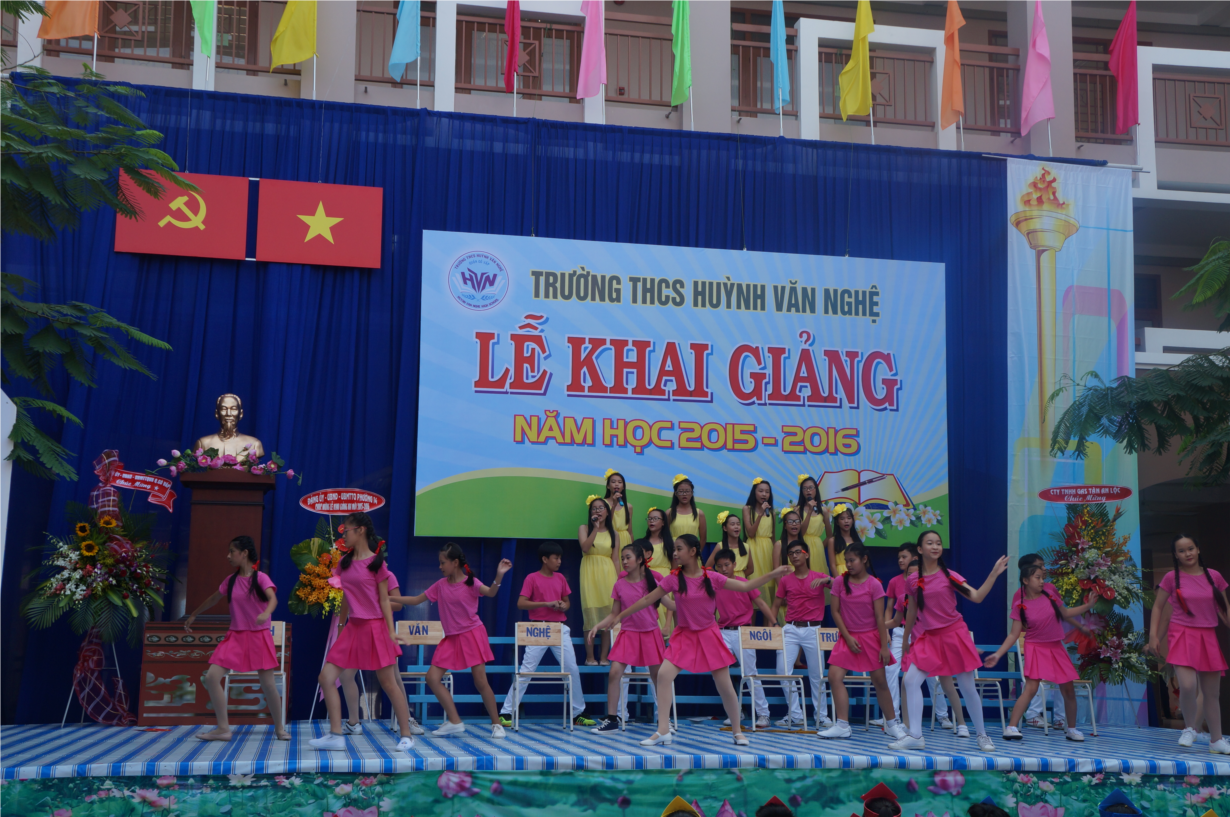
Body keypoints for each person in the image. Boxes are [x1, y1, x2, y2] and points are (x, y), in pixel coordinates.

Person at [594, 534, 789, 747]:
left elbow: (745, 586)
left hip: (709, 635)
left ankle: (737, 731)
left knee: (725, 686)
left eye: (679, 549)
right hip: (684, 636)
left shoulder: (711, 578)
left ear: (693, 551)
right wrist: (620, 616)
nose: (675, 553)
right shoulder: (673, 579)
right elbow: (648, 599)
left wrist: (774, 573)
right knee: (663, 675)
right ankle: (663, 730)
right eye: (674, 549)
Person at [890, 530, 1007, 753]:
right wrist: (906, 639)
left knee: (967, 687)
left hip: (954, 635)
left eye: (938, 543)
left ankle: (982, 735)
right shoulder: (913, 580)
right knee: (910, 681)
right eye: (930, 543)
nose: (935, 546)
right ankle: (915, 735)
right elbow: (911, 610)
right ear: (920, 549)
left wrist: (993, 574)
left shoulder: (949, 575)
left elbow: (977, 597)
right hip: (929, 637)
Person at [308, 513, 416, 753]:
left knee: (388, 683)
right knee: (326, 678)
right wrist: (341, 626)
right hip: (353, 628)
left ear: (361, 530)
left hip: (375, 628)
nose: (343, 535)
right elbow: (347, 594)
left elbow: (385, 601)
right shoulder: (344, 563)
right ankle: (336, 734)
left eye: (346, 530)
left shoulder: (377, 564)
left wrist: (391, 631)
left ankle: (406, 735)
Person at [393, 543, 512, 739]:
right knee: (432, 678)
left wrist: (499, 574)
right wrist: (387, 598)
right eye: (440, 563)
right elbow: (415, 600)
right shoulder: (440, 585)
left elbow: (491, 592)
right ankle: (455, 721)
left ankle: (497, 724)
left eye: (443, 562)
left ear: (455, 563)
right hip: (451, 638)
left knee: (480, 681)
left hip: (472, 634)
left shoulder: (471, 583)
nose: (440, 566)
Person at [184, 535, 289, 742]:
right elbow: (214, 598)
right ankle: (223, 728)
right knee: (211, 677)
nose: (228, 556)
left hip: (259, 637)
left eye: (232, 551)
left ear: (244, 553)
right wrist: (194, 614)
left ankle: (279, 728)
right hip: (235, 636)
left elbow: (273, 599)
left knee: (268, 684)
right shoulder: (230, 581)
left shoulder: (261, 578)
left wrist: (266, 613)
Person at [983, 563, 1094, 741]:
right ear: (1026, 580)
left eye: (1043, 577)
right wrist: (998, 654)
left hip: (1056, 647)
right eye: (1037, 577)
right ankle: (1011, 727)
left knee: (1068, 689)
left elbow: (1066, 613)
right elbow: (1013, 635)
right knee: (1031, 688)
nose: (1042, 581)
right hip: (1035, 647)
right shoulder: (1020, 605)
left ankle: (1072, 729)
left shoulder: (1050, 596)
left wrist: (1088, 606)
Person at [1147, 534, 1230, 753]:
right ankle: (1190, 728)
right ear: (1175, 555)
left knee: (1211, 693)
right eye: (1182, 551)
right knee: (1187, 685)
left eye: (1191, 548)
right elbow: (1158, 607)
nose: (1187, 554)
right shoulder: (1171, 578)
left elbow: (1224, 609)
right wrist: (1153, 636)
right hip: (1182, 633)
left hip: (1208, 635)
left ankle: (1216, 740)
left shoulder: (1214, 576)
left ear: (1198, 549)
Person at [499, 541, 589, 728]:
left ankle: (578, 713)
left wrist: (563, 605)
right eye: (556, 558)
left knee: (572, 669)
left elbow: (567, 602)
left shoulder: (561, 578)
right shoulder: (532, 578)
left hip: (559, 628)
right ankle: (506, 712)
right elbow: (521, 603)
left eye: (560, 558)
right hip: (538, 628)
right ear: (545, 559)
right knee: (526, 670)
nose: (559, 561)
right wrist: (546, 604)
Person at [822, 542, 903, 740]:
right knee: (834, 676)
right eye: (846, 561)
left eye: (852, 560)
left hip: (871, 638)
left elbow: (879, 618)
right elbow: (835, 612)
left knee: (880, 682)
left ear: (864, 559)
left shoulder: (874, 584)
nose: (848, 564)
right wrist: (847, 637)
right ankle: (842, 725)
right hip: (847, 637)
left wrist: (884, 646)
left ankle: (892, 725)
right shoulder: (840, 582)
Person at [591, 541, 673, 734]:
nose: (625, 561)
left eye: (628, 557)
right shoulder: (619, 585)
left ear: (640, 559)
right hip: (627, 634)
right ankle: (612, 720)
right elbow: (614, 614)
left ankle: (665, 721)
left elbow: (671, 604)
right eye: (622, 558)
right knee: (614, 673)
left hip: (651, 634)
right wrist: (598, 625)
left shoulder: (653, 582)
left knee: (658, 677)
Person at [338, 574, 425, 736]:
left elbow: (398, 604)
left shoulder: (386, 575)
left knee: (393, 679)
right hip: (359, 631)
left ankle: (407, 720)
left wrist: (373, 602)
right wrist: (341, 625)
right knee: (345, 675)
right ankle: (353, 723)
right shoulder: (354, 574)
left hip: (380, 632)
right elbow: (347, 598)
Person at [883, 542, 957, 733]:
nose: (901, 560)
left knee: (932, 674)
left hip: (924, 633)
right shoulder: (896, 583)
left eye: (904, 557)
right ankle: (893, 717)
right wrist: (883, 630)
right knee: (891, 670)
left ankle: (942, 715)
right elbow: (891, 611)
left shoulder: (932, 583)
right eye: (899, 557)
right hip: (901, 632)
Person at [770, 539, 834, 729]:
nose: (794, 556)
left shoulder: (819, 576)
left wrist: (828, 580)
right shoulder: (785, 580)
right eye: (791, 553)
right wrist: (774, 625)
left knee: (817, 674)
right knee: (782, 671)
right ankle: (795, 714)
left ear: (807, 554)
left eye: (798, 552)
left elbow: (842, 585)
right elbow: (775, 604)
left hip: (813, 629)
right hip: (790, 628)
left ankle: (821, 715)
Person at [713, 547, 774, 728]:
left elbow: (761, 603)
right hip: (723, 631)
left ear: (734, 564)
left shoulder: (744, 583)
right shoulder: (715, 586)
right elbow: (710, 610)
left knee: (750, 673)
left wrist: (774, 622)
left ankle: (763, 714)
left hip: (743, 631)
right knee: (719, 672)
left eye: (726, 565)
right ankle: (735, 712)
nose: (723, 569)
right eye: (719, 566)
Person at [1012, 552, 1063, 730]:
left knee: (1063, 678)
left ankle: (1061, 718)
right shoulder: (1020, 594)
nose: (1044, 569)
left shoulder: (1050, 589)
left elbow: (1060, 612)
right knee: (1038, 679)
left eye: (1043, 565)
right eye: (1040, 566)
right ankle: (1033, 714)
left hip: (1053, 640)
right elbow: (1021, 622)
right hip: (1035, 643)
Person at [579, 495, 620, 666]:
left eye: (601, 508)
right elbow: (585, 548)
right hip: (589, 573)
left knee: (607, 615)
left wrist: (620, 582)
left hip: (608, 574)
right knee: (590, 615)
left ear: (608, 512)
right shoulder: (584, 528)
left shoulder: (614, 533)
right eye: (594, 508)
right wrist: (595, 529)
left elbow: (615, 559)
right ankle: (590, 657)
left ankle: (604, 657)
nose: (597, 511)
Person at [635, 507, 674, 639]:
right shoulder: (642, 543)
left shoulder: (670, 543)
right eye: (650, 518)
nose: (652, 521)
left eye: (656, 518)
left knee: (664, 609)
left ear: (663, 522)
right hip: (646, 579)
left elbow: (674, 569)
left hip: (665, 580)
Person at [743, 478, 777, 607]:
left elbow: (773, 537)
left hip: (768, 552)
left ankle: (768, 620)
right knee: (753, 592)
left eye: (767, 492)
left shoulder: (772, 513)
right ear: (754, 492)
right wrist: (760, 514)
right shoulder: (747, 509)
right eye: (761, 491)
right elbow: (751, 533)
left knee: (769, 591)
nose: (764, 494)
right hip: (753, 550)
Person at [795, 475, 831, 576]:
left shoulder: (823, 511)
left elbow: (829, 536)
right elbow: (801, 533)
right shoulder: (797, 510)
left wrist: (819, 546)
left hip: (818, 550)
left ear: (816, 489)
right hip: (802, 547)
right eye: (805, 488)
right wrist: (809, 512)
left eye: (811, 487)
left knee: (817, 577)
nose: (808, 491)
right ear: (802, 491)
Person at [705, 510, 753, 577]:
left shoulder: (746, 546)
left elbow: (751, 569)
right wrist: (720, 578)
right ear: (725, 528)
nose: (736, 526)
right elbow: (708, 567)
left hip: (740, 582)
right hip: (725, 581)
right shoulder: (720, 546)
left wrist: (739, 577)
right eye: (732, 524)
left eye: (738, 524)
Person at [668, 475, 707, 546]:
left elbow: (703, 539)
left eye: (687, 491)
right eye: (681, 491)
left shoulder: (699, 513)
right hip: (674, 550)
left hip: (693, 550)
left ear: (692, 493)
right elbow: (665, 536)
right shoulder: (669, 513)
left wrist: (696, 552)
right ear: (676, 493)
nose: (684, 494)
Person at [825, 503, 861, 576]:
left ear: (852, 521)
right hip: (840, 575)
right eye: (842, 518)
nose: (846, 521)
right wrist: (838, 581)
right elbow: (832, 566)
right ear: (837, 522)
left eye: (849, 518)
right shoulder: (832, 541)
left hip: (855, 575)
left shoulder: (856, 540)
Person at [604, 469, 634, 548]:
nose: (616, 484)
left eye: (620, 482)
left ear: (623, 487)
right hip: (609, 538)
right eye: (613, 482)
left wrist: (632, 548)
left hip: (625, 541)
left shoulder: (628, 506)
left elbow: (630, 532)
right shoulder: (602, 504)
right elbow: (604, 524)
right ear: (608, 486)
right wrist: (613, 505)